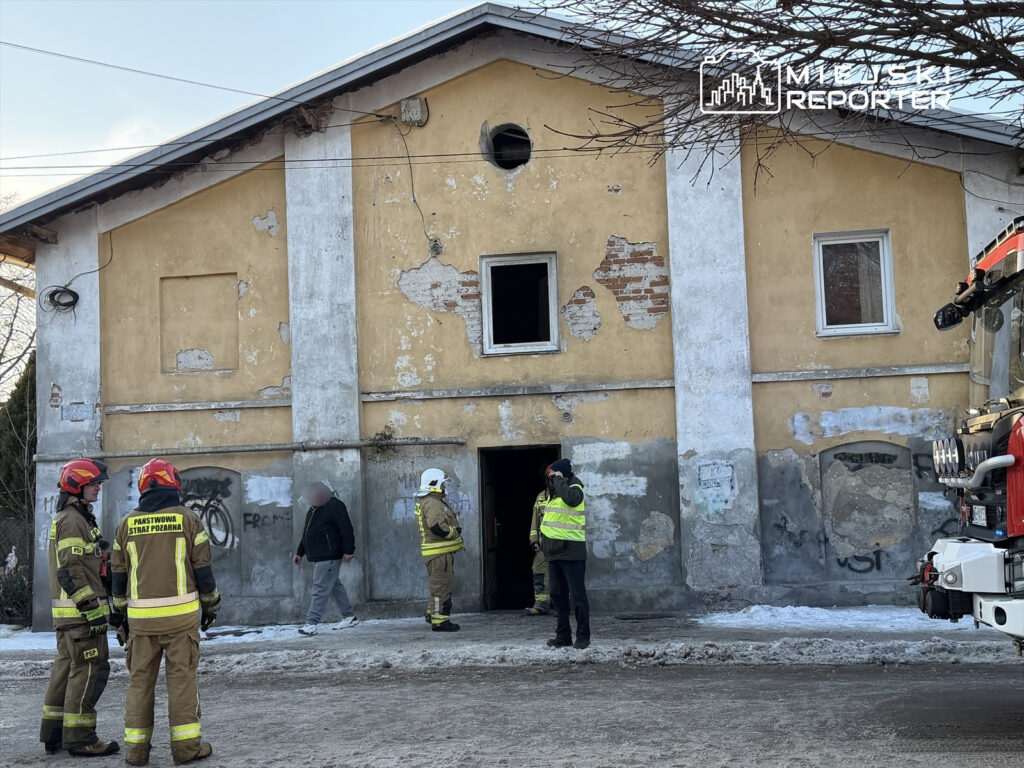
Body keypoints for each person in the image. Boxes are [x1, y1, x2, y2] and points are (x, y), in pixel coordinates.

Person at [111, 458, 219, 766]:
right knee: (181, 681)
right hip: (181, 621)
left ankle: (136, 751)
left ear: (144, 486)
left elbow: (118, 577)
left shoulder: (126, 523)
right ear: (174, 485)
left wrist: (119, 617)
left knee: (139, 683)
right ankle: (186, 750)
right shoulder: (189, 519)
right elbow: (203, 570)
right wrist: (211, 605)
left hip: (140, 623)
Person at [39, 458, 120, 757]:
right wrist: (91, 609)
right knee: (89, 670)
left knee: (65, 669)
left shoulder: (71, 517)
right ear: (78, 485)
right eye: (94, 483)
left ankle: (55, 733)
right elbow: (70, 569)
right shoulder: (73, 520)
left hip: (68, 617)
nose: (98, 487)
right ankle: (81, 737)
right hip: (80, 615)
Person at [293, 481, 359, 635]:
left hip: (329, 555)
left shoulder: (335, 506)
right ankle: (349, 617)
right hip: (319, 555)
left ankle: (311, 623)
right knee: (334, 586)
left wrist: (349, 550)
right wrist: (299, 552)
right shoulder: (313, 509)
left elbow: (346, 528)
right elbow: (306, 533)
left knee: (320, 588)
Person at [539, 458, 590, 650]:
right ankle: (563, 636)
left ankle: (583, 637)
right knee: (557, 595)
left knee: (577, 597)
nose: (550, 480)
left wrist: (559, 480)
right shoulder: (555, 494)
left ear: (562, 475)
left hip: (572, 552)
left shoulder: (574, 488)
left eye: (553, 476)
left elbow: (572, 500)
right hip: (555, 553)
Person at [414, 468, 463, 632]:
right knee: (440, 587)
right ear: (433, 484)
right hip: (439, 555)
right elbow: (436, 527)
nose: (444, 487)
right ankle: (439, 621)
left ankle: (433, 614)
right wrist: (454, 533)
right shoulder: (432, 503)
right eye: (442, 484)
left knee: (439, 586)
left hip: (438, 554)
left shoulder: (430, 501)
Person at [524, 480, 551, 616]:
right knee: (539, 571)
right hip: (543, 545)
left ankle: (561, 606)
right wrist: (534, 540)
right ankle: (541, 606)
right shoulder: (541, 496)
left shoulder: (566, 495)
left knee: (562, 574)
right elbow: (535, 520)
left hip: (561, 544)